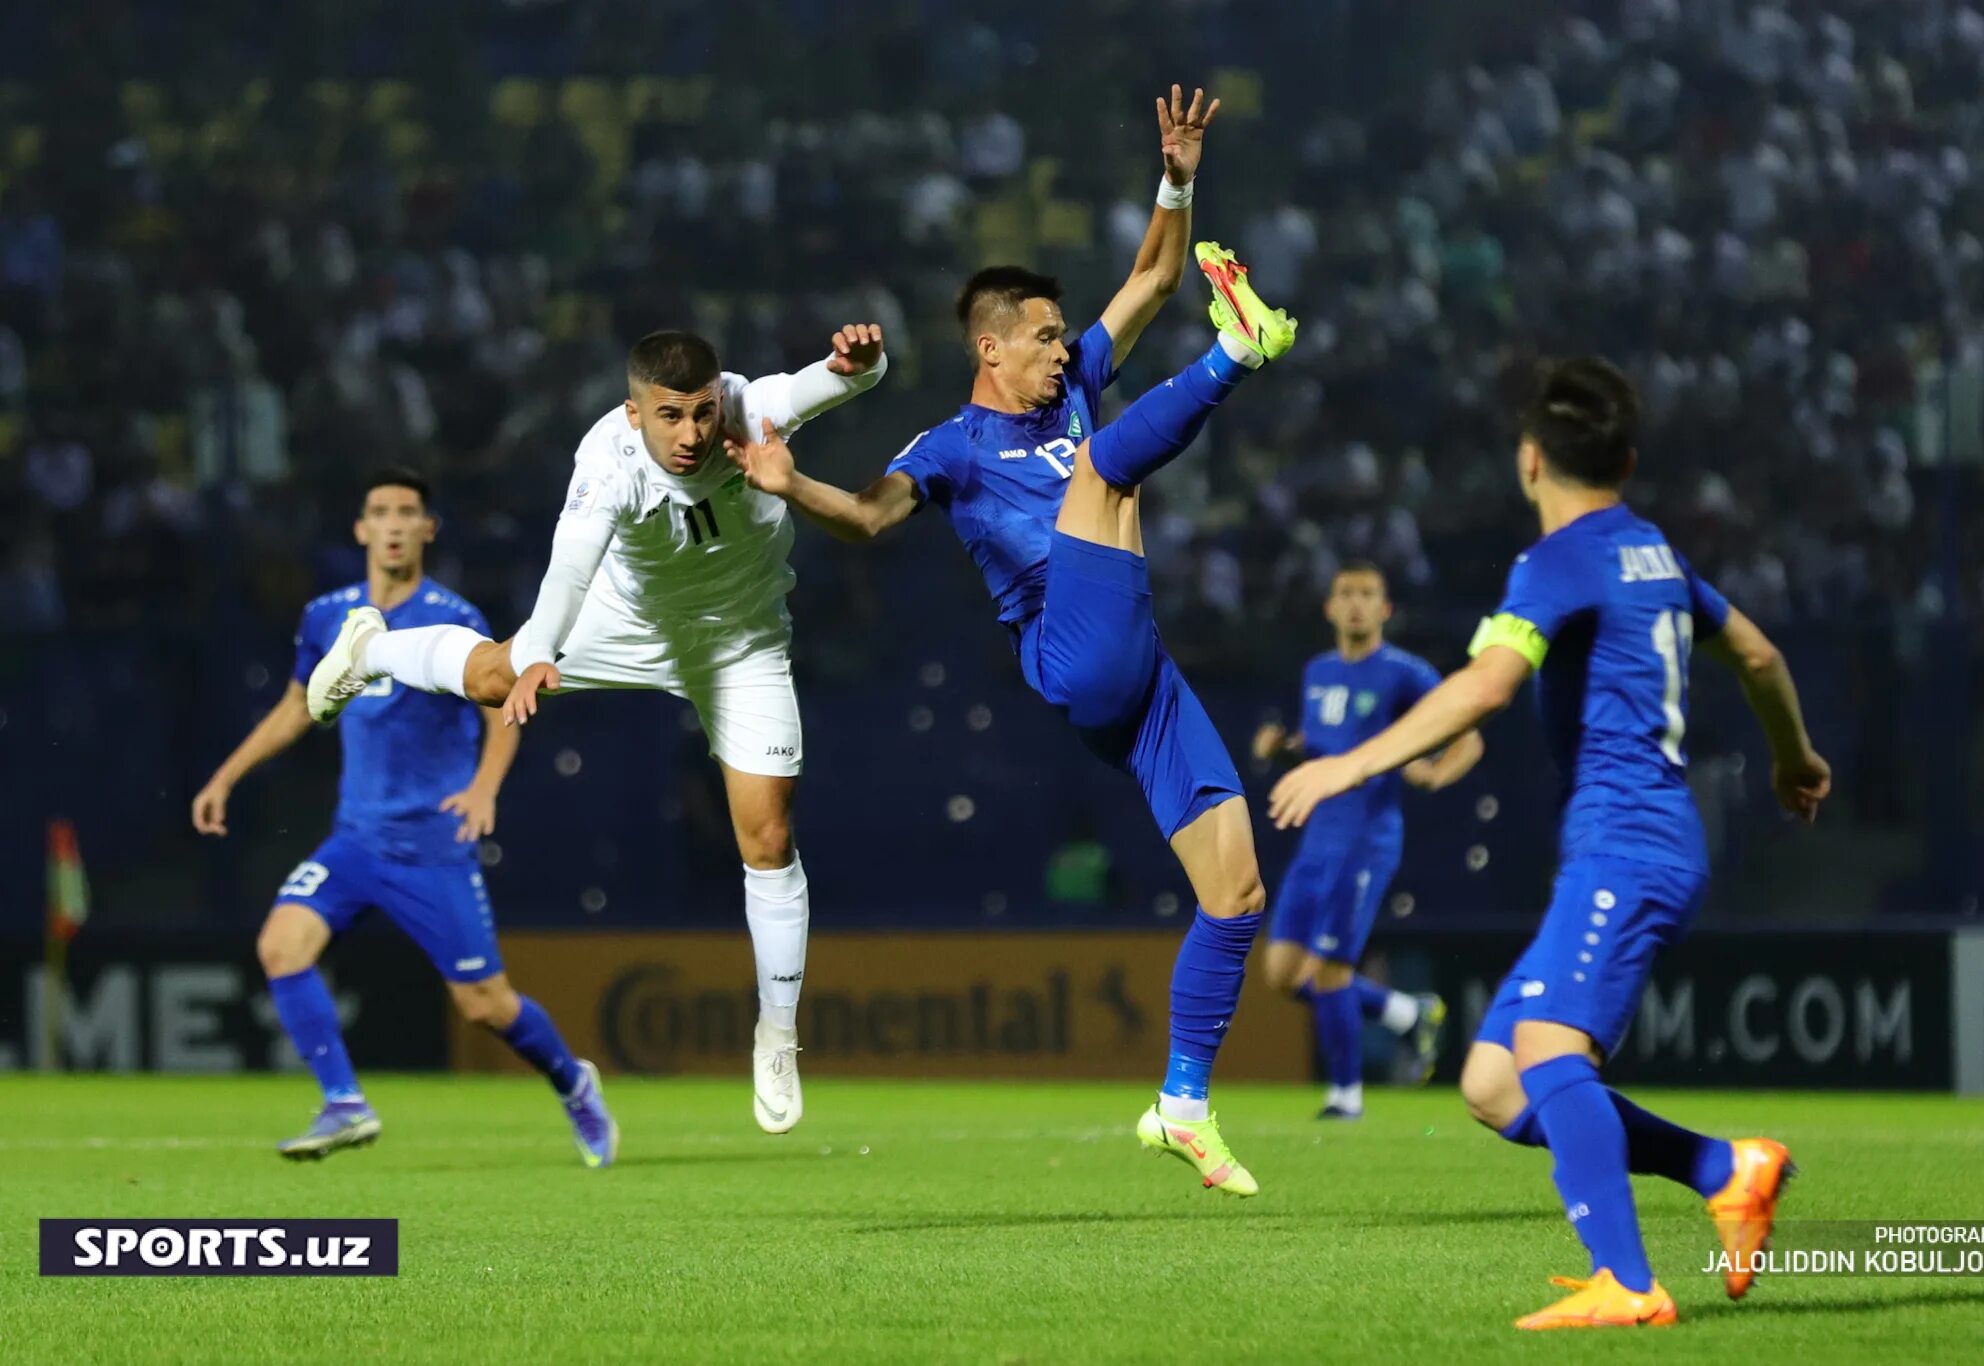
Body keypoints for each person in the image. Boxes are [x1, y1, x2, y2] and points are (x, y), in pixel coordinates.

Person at [730, 87, 1299, 1196]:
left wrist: (1175, 176)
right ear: (989, 350)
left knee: (1233, 894)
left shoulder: (1077, 387)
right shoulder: (951, 444)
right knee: (1102, 468)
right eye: (1042, 338)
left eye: (1057, 337)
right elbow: (868, 516)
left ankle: (1181, 1100)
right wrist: (786, 477)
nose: (1060, 350)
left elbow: (1151, 278)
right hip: (1071, 652)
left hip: (1143, 666)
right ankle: (1237, 356)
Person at [1270, 358, 1829, 1327]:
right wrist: (1793, 756)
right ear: (1626, 456)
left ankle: (1627, 1280)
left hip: (1625, 839)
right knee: (1492, 1084)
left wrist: (1344, 763)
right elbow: (1758, 652)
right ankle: (1723, 1168)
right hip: (1640, 837)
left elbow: (1483, 685)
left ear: (1529, 460)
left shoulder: (1556, 560)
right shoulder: (1653, 550)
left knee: (1544, 1044)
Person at [303, 327, 889, 1136]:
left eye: (702, 413)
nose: (691, 434)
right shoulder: (606, 460)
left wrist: (861, 367)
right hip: (625, 622)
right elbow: (569, 569)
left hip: (741, 640)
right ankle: (372, 647)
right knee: (491, 677)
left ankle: (778, 1036)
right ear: (634, 412)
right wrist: (541, 654)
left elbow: (821, 385)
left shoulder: (745, 411)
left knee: (766, 837)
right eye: (671, 416)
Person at [194, 469, 616, 1165]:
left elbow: (501, 701)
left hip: (433, 845)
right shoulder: (326, 614)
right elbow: (300, 705)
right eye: (380, 511)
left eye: (407, 512)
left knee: (484, 1006)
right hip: (356, 839)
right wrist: (226, 775)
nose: (393, 524)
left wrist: (485, 788)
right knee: (280, 946)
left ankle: (572, 1083)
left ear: (428, 529)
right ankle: (344, 1104)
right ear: (361, 530)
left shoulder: (454, 617)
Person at [1252, 562, 1481, 1118]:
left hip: (1366, 839)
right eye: (1346, 594)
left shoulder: (1404, 673)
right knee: (1282, 974)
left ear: (1385, 610)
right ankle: (1407, 1013)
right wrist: (1281, 749)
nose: (1356, 603)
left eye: (1367, 595)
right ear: (1330, 608)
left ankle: (1346, 1097)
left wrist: (1434, 773)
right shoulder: (1319, 671)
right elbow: (1322, 749)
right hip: (1317, 840)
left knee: (1329, 972)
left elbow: (1468, 736)